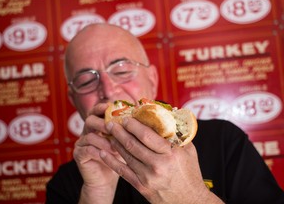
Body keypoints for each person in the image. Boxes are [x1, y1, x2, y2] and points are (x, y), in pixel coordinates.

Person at [46, 23, 284, 204]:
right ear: (74, 100)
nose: (108, 90)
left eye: (121, 70)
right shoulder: (67, 182)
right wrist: (96, 194)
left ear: (152, 80)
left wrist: (192, 196)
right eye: (87, 80)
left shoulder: (223, 140)